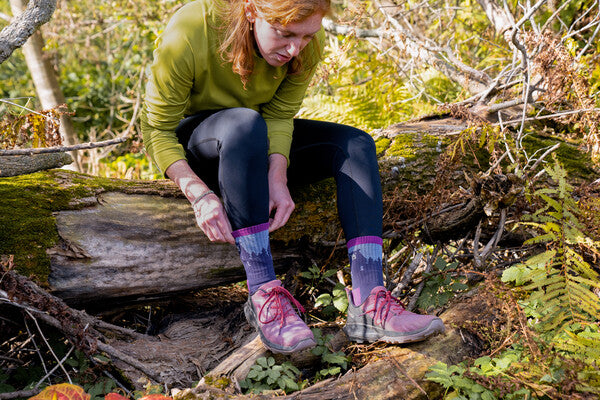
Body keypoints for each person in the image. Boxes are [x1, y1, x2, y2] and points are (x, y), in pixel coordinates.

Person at [141, 0, 445, 354]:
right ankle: (264, 295)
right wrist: (198, 193)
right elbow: (157, 130)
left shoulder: (304, 41)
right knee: (243, 122)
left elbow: (280, 116)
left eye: (305, 37)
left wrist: (278, 173)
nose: (295, 49)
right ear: (252, 11)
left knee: (356, 144)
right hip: (202, 149)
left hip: (257, 140)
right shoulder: (193, 26)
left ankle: (369, 302)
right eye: (285, 34)